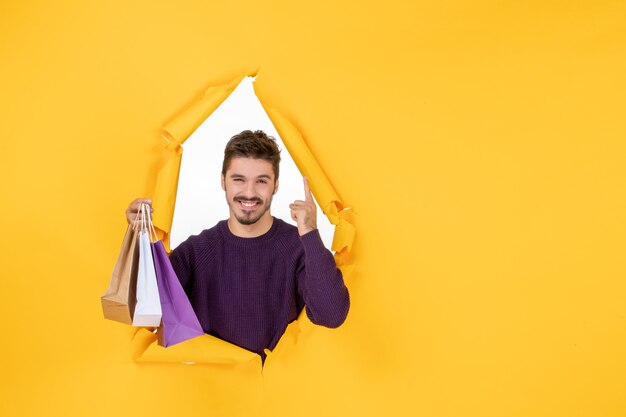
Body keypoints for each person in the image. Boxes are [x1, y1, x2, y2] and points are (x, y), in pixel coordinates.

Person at [126, 130, 349, 361]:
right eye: (239, 179)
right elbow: (146, 311)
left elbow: (331, 315)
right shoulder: (196, 252)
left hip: (279, 393)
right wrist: (138, 236)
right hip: (211, 391)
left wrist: (310, 233)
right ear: (223, 181)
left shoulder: (299, 248)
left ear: (275, 186)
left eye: (261, 181)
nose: (250, 193)